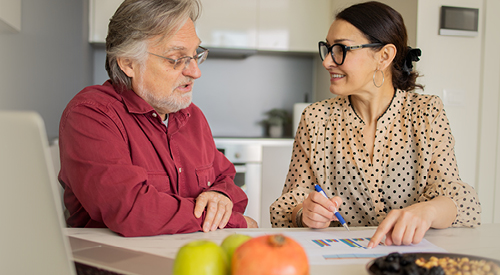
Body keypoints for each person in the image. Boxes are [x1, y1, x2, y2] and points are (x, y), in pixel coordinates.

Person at [270, 1, 481, 248]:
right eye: (327, 49)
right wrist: (303, 213)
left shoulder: (427, 113)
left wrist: (429, 211)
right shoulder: (315, 119)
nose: (327, 61)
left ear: (384, 56)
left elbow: (463, 202)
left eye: (340, 49)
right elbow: (283, 208)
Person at [58, 0, 257, 237]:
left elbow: (226, 179)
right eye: (176, 59)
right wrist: (231, 221)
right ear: (128, 63)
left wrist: (220, 196)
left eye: (195, 55)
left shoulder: (192, 116)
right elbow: (132, 210)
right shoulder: (91, 115)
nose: (195, 72)